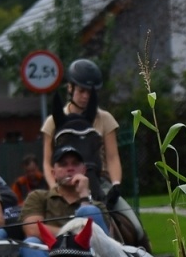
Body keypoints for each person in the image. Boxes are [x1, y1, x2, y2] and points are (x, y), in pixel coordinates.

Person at [39, 58, 143, 243]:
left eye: (90, 92)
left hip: (99, 182)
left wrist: (115, 184)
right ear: (70, 88)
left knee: (137, 228)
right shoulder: (53, 121)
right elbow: (47, 162)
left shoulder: (105, 119)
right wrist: (53, 186)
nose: (86, 96)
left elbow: (112, 157)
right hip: (63, 184)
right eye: (81, 90)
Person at [17, 142, 106, 257]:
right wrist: (75, 238)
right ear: (53, 173)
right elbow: (32, 229)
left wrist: (84, 197)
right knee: (31, 243)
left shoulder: (97, 206)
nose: (70, 168)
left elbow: (104, 241)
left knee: (88, 211)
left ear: (84, 170)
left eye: (75, 163)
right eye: (63, 164)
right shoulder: (39, 197)